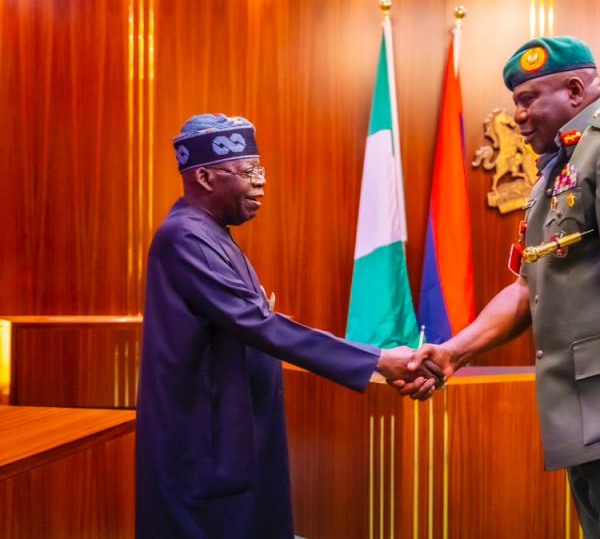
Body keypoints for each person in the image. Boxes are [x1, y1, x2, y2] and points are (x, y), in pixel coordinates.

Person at [396, 37, 600, 539]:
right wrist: (453, 353)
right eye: (515, 101)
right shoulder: (560, 168)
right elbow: (529, 285)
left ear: (575, 90)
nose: (518, 115)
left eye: (529, 98)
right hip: (595, 417)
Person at [136, 114, 437, 539]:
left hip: (233, 431)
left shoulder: (211, 233)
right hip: (204, 445)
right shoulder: (186, 237)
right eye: (247, 172)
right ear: (203, 176)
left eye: (261, 170)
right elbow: (259, 325)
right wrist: (380, 359)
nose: (260, 183)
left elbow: (252, 323)